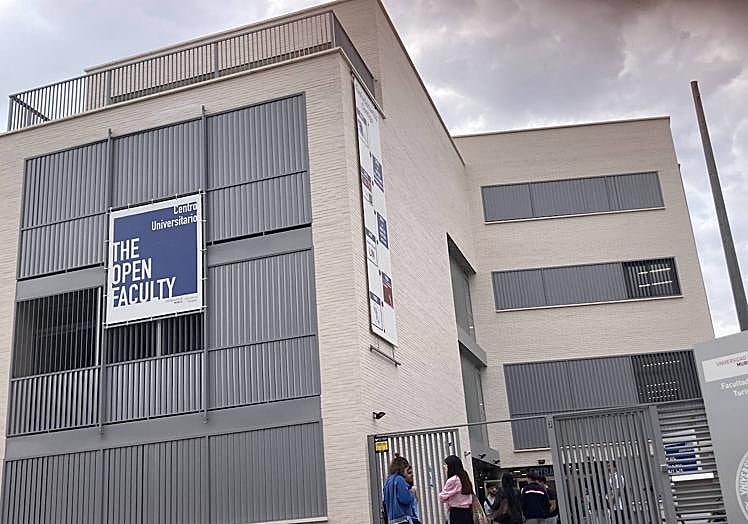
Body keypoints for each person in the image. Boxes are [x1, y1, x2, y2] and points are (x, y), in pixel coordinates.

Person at [438, 455, 475, 524]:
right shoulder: (464, 477)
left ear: (451, 467)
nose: (445, 468)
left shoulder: (453, 480)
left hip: (457, 513)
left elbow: (442, 497)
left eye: (446, 466)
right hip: (468, 512)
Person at [383, 456, 417, 524]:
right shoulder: (399, 479)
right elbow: (405, 499)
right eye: (407, 470)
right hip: (402, 519)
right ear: (402, 468)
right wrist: (412, 492)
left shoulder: (387, 482)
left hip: (392, 520)